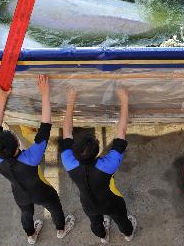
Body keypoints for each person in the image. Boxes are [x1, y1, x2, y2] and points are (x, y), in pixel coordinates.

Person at [0, 75, 75, 244]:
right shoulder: (31, 158)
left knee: (26, 213)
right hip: (41, 192)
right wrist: (44, 93)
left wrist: (3, 98)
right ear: (16, 149)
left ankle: (30, 235)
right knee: (54, 207)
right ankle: (61, 229)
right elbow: (45, 126)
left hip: (19, 194)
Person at [59, 86, 137, 243]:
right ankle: (128, 234)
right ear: (97, 152)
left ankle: (103, 237)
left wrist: (70, 102)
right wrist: (124, 101)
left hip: (88, 203)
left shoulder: (68, 162)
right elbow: (121, 132)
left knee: (95, 221)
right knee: (121, 218)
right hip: (111, 201)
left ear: (74, 151)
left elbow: (66, 132)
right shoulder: (108, 164)